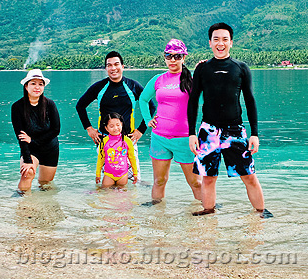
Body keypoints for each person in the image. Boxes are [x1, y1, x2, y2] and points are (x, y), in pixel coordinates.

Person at [188, 23, 272, 217]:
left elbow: (250, 100)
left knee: (248, 175)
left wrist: (255, 134)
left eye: (225, 39)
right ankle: (208, 211)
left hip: (235, 130)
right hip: (208, 131)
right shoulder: (202, 68)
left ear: (231, 42)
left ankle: (261, 213)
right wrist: (191, 133)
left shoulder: (241, 68)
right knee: (208, 177)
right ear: (210, 43)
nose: (221, 43)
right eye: (216, 39)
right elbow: (193, 101)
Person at [139, 39, 201, 203]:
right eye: (169, 56)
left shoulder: (191, 80)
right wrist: (148, 120)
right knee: (159, 181)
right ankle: (158, 215)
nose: (173, 60)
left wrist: (204, 74)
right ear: (165, 57)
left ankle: (207, 208)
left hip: (185, 139)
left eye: (177, 56)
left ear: (184, 58)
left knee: (195, 182)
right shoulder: (158, 79)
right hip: (159, 138)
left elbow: (207, 98)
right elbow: (143, 99)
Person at [76, 51, 153, 176]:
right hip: (105, 140)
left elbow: (151, 105)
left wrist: (141, 130)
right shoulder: (99, 87)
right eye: (109, 65)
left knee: (133, 179)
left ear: (122, 66)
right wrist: (89, 129)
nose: (113, 68)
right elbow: (80, 105)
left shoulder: (132, 86)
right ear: (106, 68)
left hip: (128, 140)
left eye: (116, 64)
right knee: (108, 180)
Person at [11, 69, 60, 193]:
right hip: (30, 149)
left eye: (40, 84)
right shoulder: (17, 107)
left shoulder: (50, 104)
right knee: (27, 173)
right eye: (33, 83)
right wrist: (27, 160)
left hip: (50, 148)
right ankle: (23, 202)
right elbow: (21, 136)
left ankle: (42, 205)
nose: (37, 87)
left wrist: (33, 140)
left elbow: (55, 130)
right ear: (26, 86)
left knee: (45, 184)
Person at [96, 113, 138, 187]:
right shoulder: (104, 141)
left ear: (122, 124)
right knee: (104, 191)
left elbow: (132, 158)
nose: (115, 128)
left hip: (123, 175)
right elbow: (101, 158)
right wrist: (98, 174)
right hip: (109, 174)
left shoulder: (127, 141)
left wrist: (135, 173)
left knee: (122, 193)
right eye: (111, 126)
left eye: (118, 125)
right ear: (106, 128)